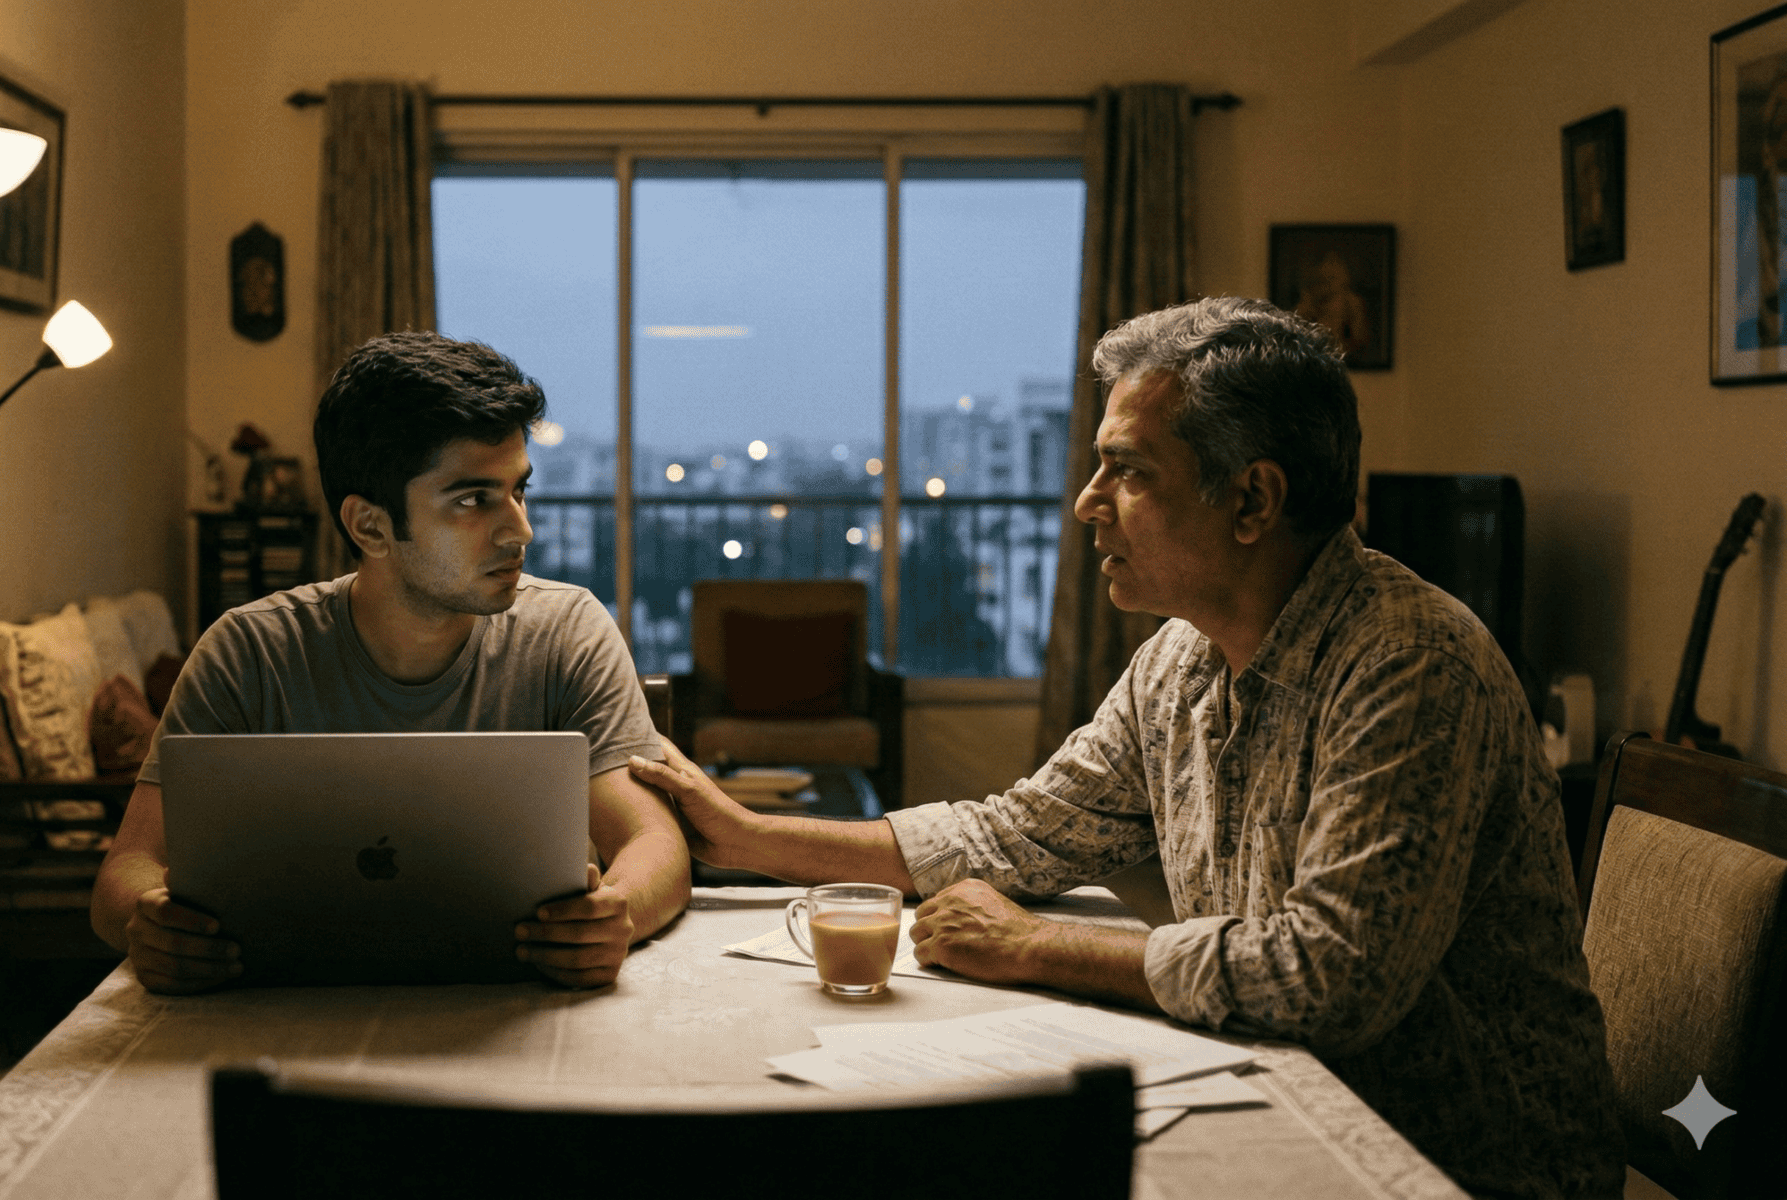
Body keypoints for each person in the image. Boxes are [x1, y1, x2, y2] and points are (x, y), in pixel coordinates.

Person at [630, 297, 1622, 1199]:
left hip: (1455, 1166)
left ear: (1252, 501)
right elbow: (1019, 835)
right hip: (1278, 1098)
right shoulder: (1179, 662)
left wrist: (1036, 947)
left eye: (1129, 471)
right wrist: (748, 837)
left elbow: (1327, 979)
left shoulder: (1409, 664)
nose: (1086, 502)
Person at [95, 331, 690, 993]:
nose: (520, 529)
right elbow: (127, 870)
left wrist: (616, 912)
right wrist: (150, 922)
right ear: (370, 526)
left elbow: (655, 843)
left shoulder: (567, 631)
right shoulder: (249, 651)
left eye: (518, 491)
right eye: (473, 500)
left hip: (518, 1006)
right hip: (284, 1013)